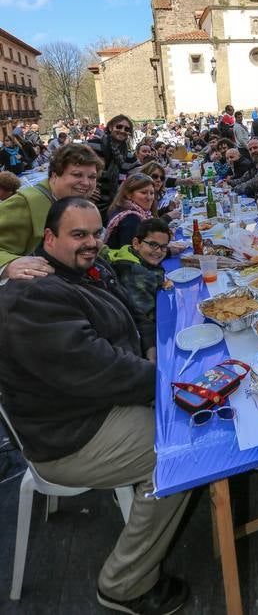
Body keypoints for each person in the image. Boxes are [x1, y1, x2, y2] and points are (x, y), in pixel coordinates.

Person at [0, 197, 191, 613]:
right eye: (78, 234)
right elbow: (102, 371)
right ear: (49, 238)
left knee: (181, 420)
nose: (91, 242)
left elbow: (125, 321)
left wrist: (152, 352)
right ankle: (125, 584)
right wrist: (172, 382)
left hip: (87, 407)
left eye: (96, 232)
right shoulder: (33, 295)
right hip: (69, 435)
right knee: (178, 454)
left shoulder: (85, 268)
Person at [0, 144, 102, 280]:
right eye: (77, 174)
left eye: (92, 177)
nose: (86, 183)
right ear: (54, 176)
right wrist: (7, 266)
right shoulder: (26, 203)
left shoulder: (77, 204)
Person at [104, 217, 173, 355]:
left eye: (164, 247)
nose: (159, 252)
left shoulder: (127, 252)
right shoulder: (136, 275)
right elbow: (146, 320)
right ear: (136, 243)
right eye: (153, 244)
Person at [88, 115, 139, 218]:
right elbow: (73, 168)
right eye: (119, 127)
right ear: (110, 127)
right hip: (89, 204)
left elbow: (144, 175)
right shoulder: (91, 146)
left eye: (127, 129)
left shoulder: (129, 157)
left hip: (114, 207)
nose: (122, 130)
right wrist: (87, 188)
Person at [105, 174, 156, 250]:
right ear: (129, 194)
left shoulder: (121, 208)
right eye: (143, 193)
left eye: (151, 193)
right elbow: (131, 253)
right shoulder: (131, 219)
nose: (149, 197)